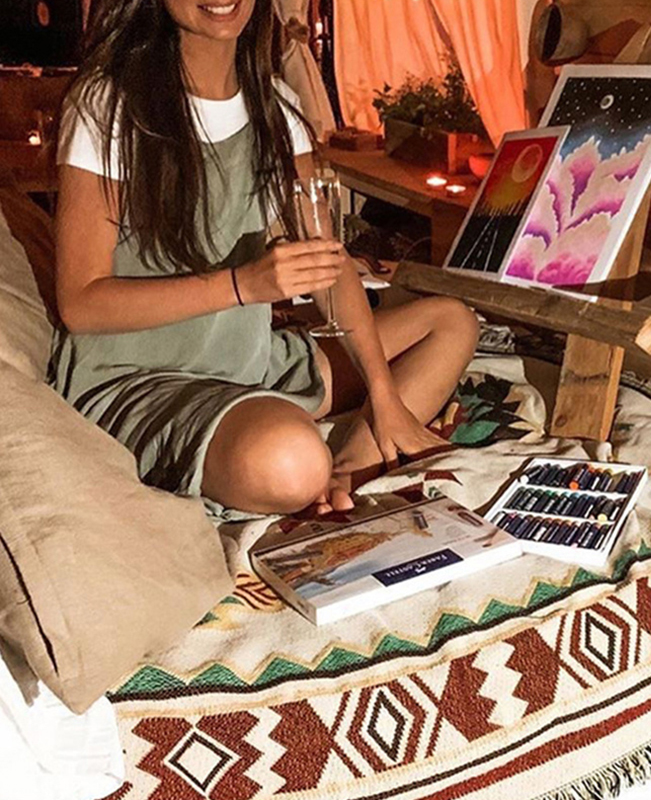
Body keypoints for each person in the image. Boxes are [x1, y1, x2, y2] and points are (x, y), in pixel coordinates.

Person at [52, 0, 479, 518]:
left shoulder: (275, 107)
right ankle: (305, 470)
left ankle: (348, 469)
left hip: (250, 362)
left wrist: (385, 396)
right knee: (289, 460)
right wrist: (243, 286)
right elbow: (81, 304)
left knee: (451, 322)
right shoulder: (109, 105)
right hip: (140, 380)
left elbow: (329, 264)